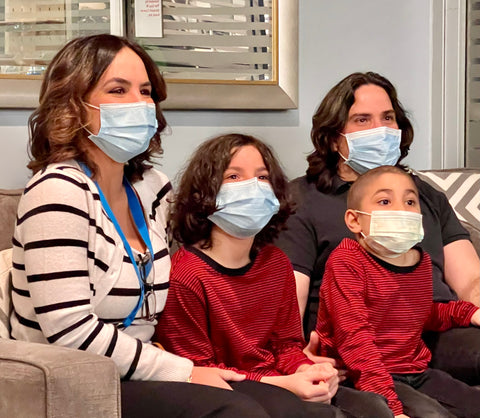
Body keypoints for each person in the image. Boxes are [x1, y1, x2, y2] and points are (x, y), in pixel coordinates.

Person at [9, 34, 308, 418]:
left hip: (151, 370)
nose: (139, 103)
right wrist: (183, 371)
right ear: (73, 107)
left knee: (290, 407)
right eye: (118, 90)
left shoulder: (151, 188)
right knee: (238, 412)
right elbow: (69, 329)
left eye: (146, 91)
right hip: (82, 382)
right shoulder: (57, 190)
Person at [155, 133, 395, 418]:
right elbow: (199, 370)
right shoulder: (185, 275)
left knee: (375, 409)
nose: (252, 187)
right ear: (205, 193)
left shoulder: (276, 263)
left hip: (279, 381)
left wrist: (308, 370)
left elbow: (286, 346)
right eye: (234, 176)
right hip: (228, 393)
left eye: (262, 177)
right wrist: (285, 384)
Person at [274, 71, 480, 385]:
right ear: (333, 138)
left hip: (435, 329)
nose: (380, 130)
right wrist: (298, 357)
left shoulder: (425, 195)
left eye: (388, 118)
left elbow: (471, 281)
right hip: (358, 341)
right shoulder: (304, 199)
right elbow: (290, 295)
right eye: (362, 120)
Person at [314, 165, 480, 418]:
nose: (401, 209)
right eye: (384, 201)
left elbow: (421, 313)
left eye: (410, 201)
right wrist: (393, 407)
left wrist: (470, 313)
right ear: (354, 220)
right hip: (359, 375)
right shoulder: (347, 261)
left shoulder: (420, 261)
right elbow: (354, 338)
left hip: (415, 370)